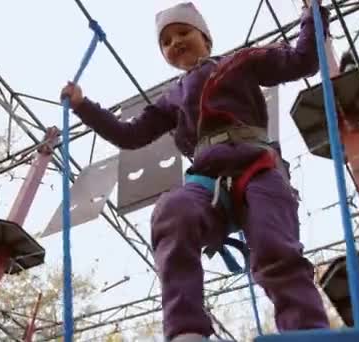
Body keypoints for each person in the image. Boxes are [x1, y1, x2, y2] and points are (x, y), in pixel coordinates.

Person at [61, 2, 330, 341]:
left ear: (206, 37)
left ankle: (306, 328)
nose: (175, 43)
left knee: (274, 243)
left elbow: (303, 60)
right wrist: (85, 106)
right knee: (172, 212)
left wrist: (312, 16)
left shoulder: (242, 62)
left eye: (183, 32)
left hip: (256, 165)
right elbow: (129, 135)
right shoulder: (172, 97)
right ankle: (185, 330)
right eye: (166, 41)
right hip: (206, 180)